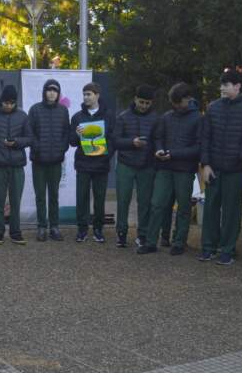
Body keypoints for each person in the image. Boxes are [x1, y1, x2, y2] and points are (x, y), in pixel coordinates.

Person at [199, 69, 242, 265]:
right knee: (210, 208)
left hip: (235, 169)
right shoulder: (213, 107)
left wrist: (241, 161)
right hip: (214, 167)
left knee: (231, 211)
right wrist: (205, 164)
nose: (222, 88)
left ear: (237, 86)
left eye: (226, 85)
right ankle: (208, 247)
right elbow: (205, 137)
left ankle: (227, 249)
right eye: (221, 85)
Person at [137, 83, 201, 256]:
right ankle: (151, 242)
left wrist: (173, 154)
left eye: (178, 102)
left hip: (185, 170)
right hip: (164, 167)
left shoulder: (198, 119)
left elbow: (198, 148)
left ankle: (179, 241)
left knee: (184, 207)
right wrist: (159, 149)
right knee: (157, 204)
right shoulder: (167, 117)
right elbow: (158, 137)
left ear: (187, 99)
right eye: (173, 103)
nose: (176, 106)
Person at [0, 85, 33, 245]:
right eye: (5, 102)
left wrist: (16, 142)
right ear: (1, 101)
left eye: (11, 103)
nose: (8, 105)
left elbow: (30, 138)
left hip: (17, 165)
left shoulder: (23, 116)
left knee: (16, 201)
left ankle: (15, 232)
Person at [113, 84, 159, 248]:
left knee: (144, 201)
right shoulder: (123, 117)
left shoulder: (155, 118)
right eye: (141, 102)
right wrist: (132, 142)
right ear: (135, 99)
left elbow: (157, 140)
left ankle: (143, 235)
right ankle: (121, 233)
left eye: (147, 103)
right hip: (126, 164)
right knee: (123, 200)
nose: (144, 106)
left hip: (147, 165)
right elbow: (115, 141)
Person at [70, 82, 114, 243]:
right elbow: (72, 142)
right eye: (84, 94)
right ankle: (82, 229)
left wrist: (106, 155)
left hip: (101, 164)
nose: (86, 97)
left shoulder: (108, 116)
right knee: (81, 198)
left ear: (97, 96)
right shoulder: (77, 117)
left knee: (100, 198)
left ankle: (98, 229)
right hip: (83, 164)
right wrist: (76, 133)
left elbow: (113, 139)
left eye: (89, 94)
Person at [28, 79, 70, 241]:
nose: (52, 93)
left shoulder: (63, 111)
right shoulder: (35, 110)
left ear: (58, 93)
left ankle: (54, 226)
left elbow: (66, 132)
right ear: (44, 92)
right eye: (49, 90)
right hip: (38, 161)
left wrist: (62, 148)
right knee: (40, 196)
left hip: (56, 161)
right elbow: (29, 132)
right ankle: (41, 227)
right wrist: (37, 147)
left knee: (54, 195)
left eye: (55, 90)